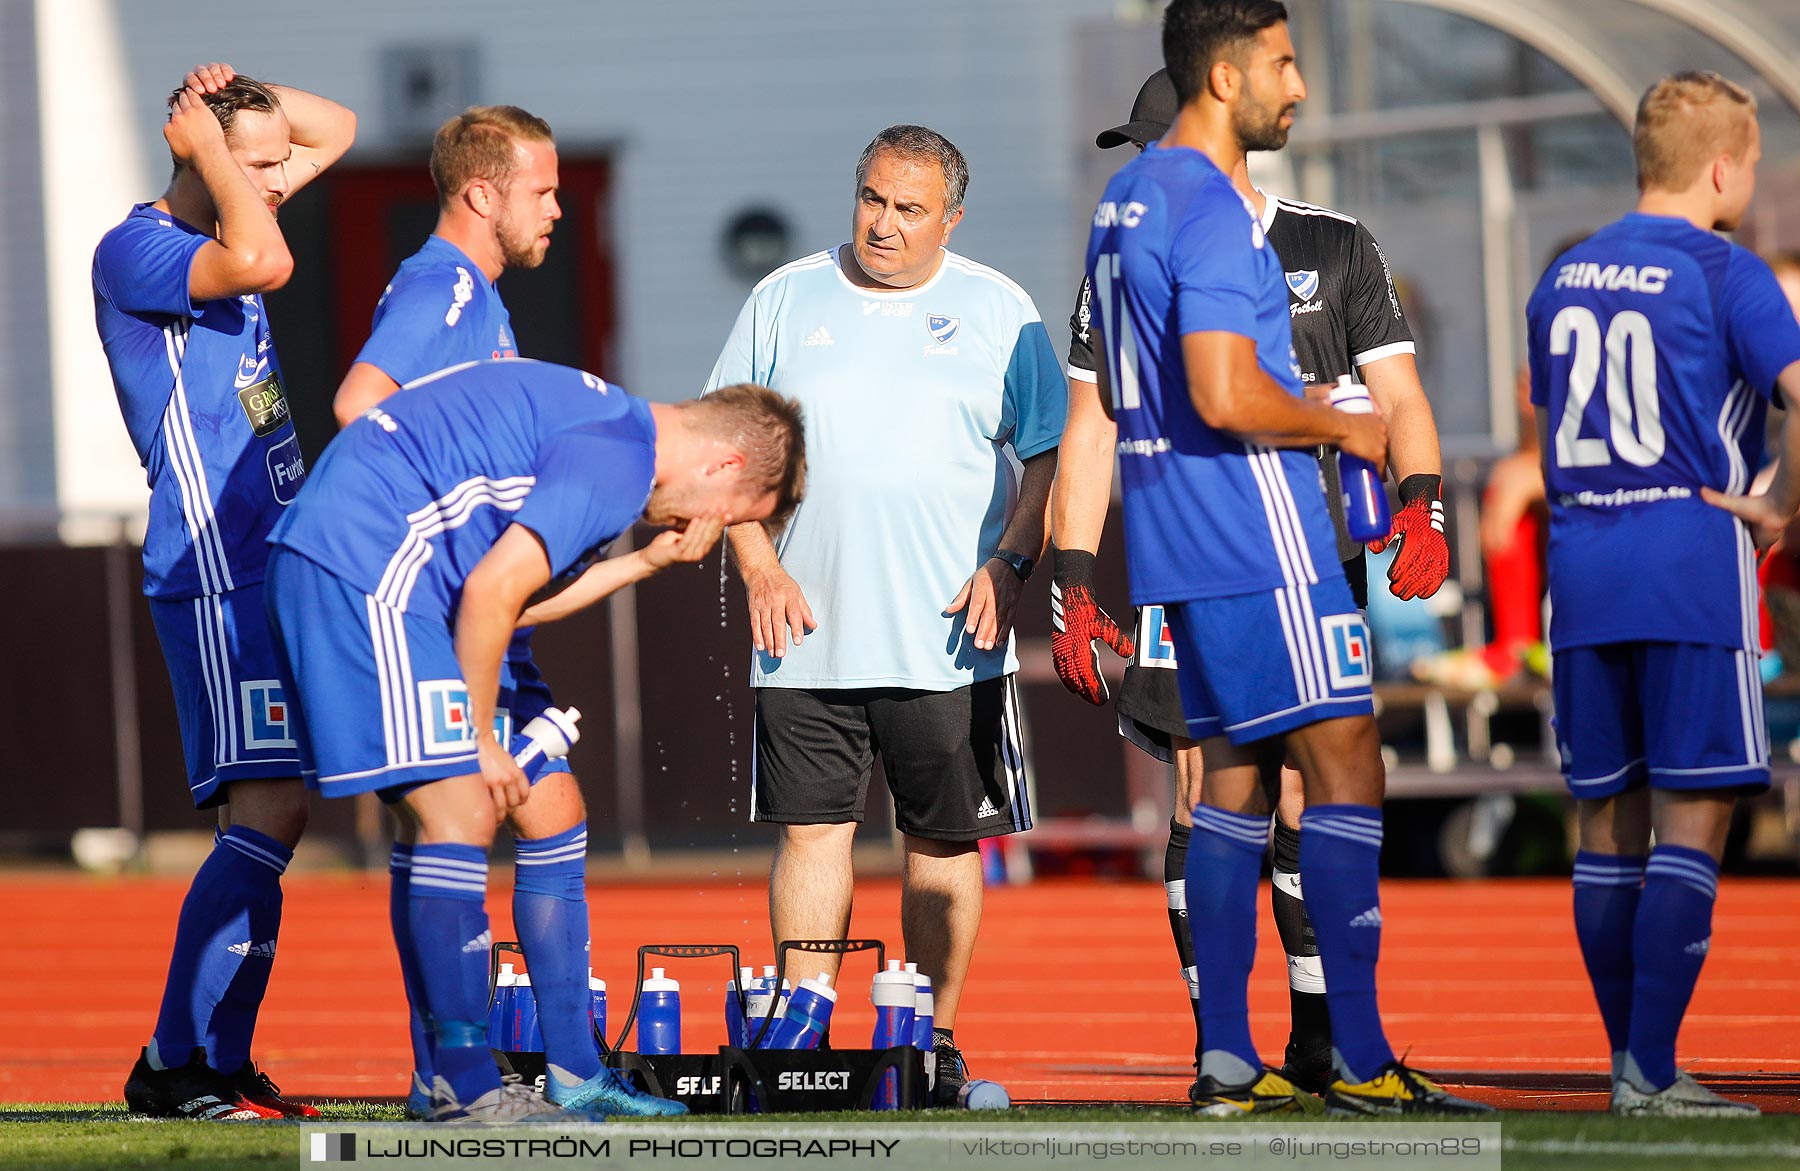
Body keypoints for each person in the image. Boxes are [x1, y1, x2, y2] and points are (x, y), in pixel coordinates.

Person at [1083, 0, 1488, 1115]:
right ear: (1224, 77)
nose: (1298, 86)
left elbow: (1136, 394)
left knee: (1235, 779)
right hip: (1258, 527)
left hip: (1173, 530)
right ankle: (1358, 1056)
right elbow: (1224, 390)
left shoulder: (1123, 200)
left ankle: (1224, 1061)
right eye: (1284, 63)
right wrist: (1341, 424)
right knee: (1350, 758)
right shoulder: (1215, 210)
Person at [265, 360, 805, 1122]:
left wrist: (648, 560)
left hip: (357, 560)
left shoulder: (617, 426)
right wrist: (481, 736)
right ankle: (463, 1082)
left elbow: (517, 603)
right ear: (727, 463)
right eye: (736, 509)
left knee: (480, 814)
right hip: (365, 565)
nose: (711, 525)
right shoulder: (624, 460)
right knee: (459, 812)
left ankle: (471, 1077)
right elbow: (490, 593)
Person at [706, 124, 1065, 1105]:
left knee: (943, 843)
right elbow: (724, 449)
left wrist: (1012, 559)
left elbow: (1046, 451)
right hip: (805, 633)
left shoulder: (999, 308)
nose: (884, 223)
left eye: (910, 209)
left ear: (951, 218)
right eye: (872, 198)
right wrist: (758, 569)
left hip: (953, 641)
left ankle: (931, 1040)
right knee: (811, 835)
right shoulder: (785, 296)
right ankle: (802, 1038)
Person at [327, 106, 668, 1120]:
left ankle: (571, 1072)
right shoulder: (443, 285)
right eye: (543, 190)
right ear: (483, 195)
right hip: (437, 609)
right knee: (456, 820)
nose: (558, 209)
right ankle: (452, 1074)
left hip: (484, 612)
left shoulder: (471, 292)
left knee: (549, 808)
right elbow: (358, 404)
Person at [1527, 71, 1800, 1118]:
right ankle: (1650, 1068)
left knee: (1607, 824)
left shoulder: (1563, 278)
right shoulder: (1728, 272)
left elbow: (1550, 421)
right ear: (1723, 168)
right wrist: (1779, 506)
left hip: (1583, 573)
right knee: (1696, 817)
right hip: (1691, 564)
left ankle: (1628, 1065)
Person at [94, 63, 355, 1121]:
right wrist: (212, 149)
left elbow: (333, 125)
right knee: (270, 807)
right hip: (210, 565)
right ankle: (173, 1063)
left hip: (265, 560)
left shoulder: (234, 204)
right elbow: (267, 255)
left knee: (276, 814)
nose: (275, 179)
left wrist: (242, 110)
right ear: (199, 160)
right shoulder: (140, 247)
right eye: (253, 166)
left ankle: (218, 1056)